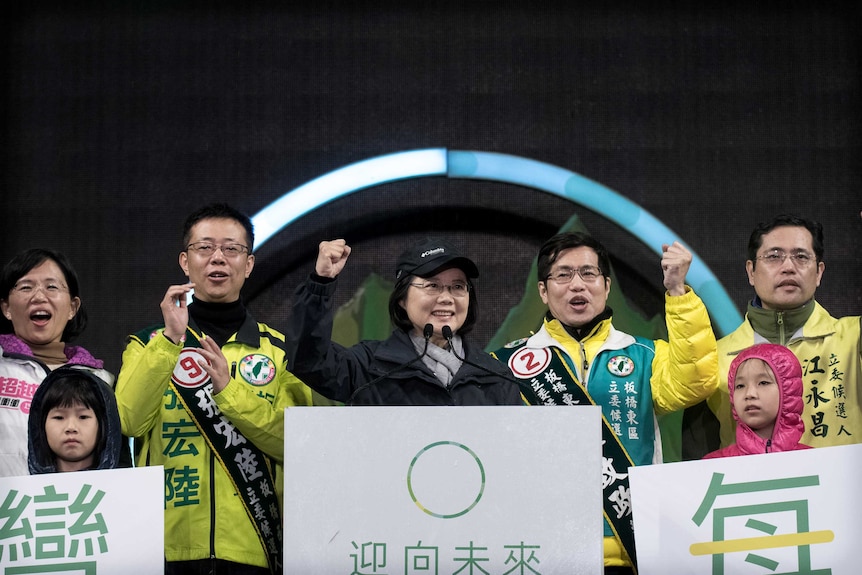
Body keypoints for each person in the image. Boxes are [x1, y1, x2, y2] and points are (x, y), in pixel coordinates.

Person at [491, 231, 718, 574]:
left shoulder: (644, 355)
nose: (577, 285)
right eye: (563, 275)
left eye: (588, 273)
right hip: (540, 552)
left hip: (627, 551)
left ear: (606, 285)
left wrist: (677, 292)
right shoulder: (505, 365)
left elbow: (695, 379)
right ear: (543, 290)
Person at [115, 203, 313, 575]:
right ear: (185, 261)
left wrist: (229, 393)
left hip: (255, 547)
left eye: (231, 249)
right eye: (205, 248)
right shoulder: (148, 345)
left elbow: (301, 443)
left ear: (249, 264)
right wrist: (171, 340)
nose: (218, 258)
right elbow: (129, 420)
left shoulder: (282, 351)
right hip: (164, 549)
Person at [286, 237, 523, 405]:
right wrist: (321, 284)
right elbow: (309, 362)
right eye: (432, 285)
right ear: (402, 299)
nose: (446, 298)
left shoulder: (495, 377)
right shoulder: (370, 367)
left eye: (458, 287)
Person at [708, 214, 860, 450]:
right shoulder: (712, 356)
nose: (788, 267)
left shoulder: (854, 338)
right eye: (774, 257)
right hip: (749, 486)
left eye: (801, 257)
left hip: (839, 486)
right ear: (751, 271)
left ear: (819, 272)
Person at [0, 248, 114, 477]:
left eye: (52, 287)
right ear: (6, 308)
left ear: (72, 307)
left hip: (73, 508)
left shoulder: (100, 380)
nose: (39, 296)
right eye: (25, 287)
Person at [704, 343, 810, 459]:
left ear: (789, 391)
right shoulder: (713, 465)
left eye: (763, 383)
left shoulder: (817, 462)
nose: (749, 394)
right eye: (740, 386)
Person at [28, 366, 124, 473]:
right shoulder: (26, 488)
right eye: (59, 417)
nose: (71, 427)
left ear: (104, 424)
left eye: (83, 417)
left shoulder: (124, 488)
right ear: (41, 425)